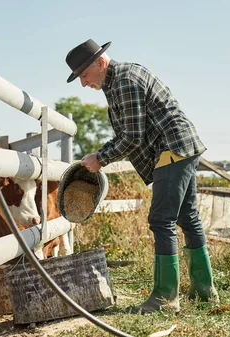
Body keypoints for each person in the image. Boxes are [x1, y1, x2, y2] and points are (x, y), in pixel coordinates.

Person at [64, 39, 219, 313]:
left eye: (84, 75)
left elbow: (132, 137)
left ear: (100, 63)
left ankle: (164, 299)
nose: (83, 83)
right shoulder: (117, 81)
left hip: (171, 148)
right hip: (181, 146)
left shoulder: (124, 80)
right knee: (187, 217)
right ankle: (204, 291)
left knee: (161, 219)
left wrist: (99, 158)